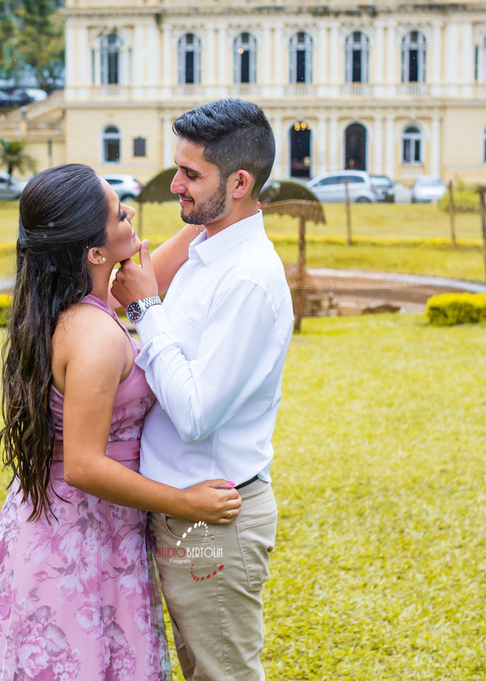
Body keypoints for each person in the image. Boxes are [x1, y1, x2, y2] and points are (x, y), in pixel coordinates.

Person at [0, 163, 242, 681]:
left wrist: (222, 198)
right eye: (117, 212)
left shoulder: (77, 303)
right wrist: (183, 501)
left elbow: (161, 263)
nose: (130, 213)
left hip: (62, 522)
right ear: (94, 252)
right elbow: (83, 464)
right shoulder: (96, 336)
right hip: (81, 535)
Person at [112, 99, 295, 681]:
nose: (175, 186)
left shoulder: (248, 279)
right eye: (178, 169)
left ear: (239, 183)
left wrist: (147, 309)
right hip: (178, 510)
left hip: (214, 522)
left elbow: (194, 413)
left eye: (191, 174)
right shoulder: (203, 249)